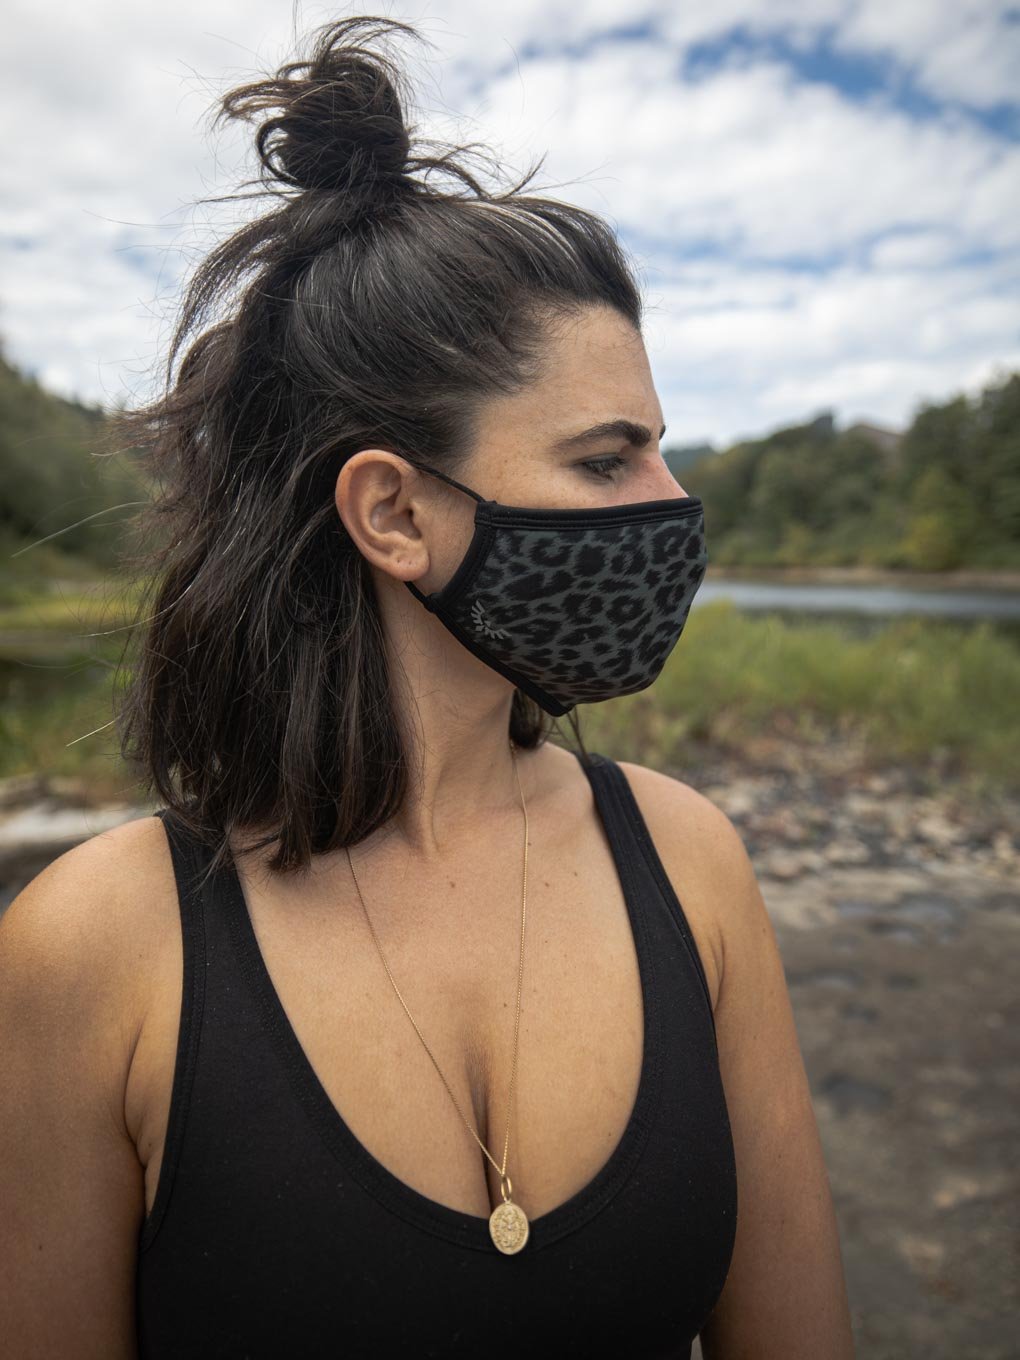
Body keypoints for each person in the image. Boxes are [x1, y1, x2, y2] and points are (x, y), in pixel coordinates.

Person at [0, 15, 855, 1359]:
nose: (674, 507)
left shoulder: (690, 869)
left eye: (663, 453)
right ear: (394, 513)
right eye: (607, 458)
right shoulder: (92, 952)